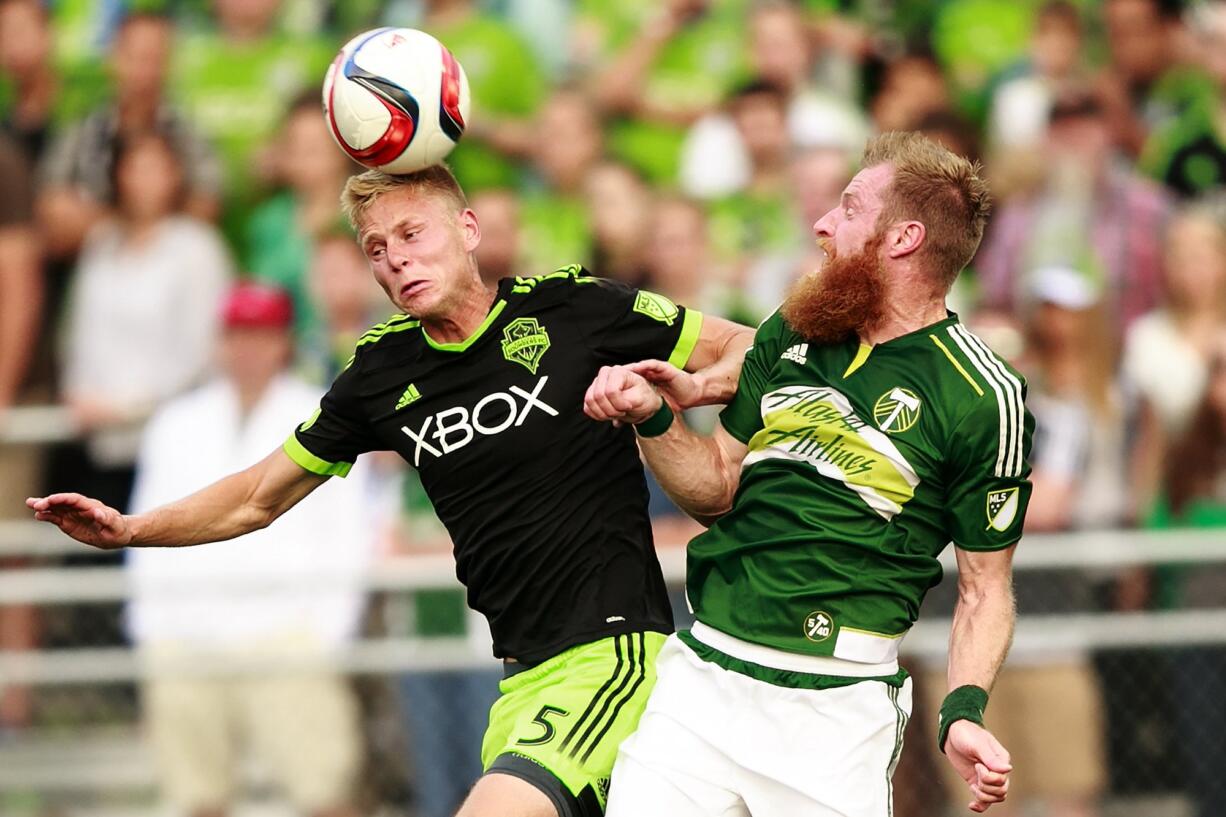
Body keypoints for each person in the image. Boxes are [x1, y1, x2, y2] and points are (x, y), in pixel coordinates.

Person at [27, 163, 753, 817]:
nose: (395, 257)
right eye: (376, 247)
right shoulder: (380, 373)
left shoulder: (573, 309)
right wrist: (131, 528)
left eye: (412, 232)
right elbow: (257, 495)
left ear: (467, 229)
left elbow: (745, 346)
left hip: (613, 654)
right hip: (521, 679)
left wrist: (689, 387)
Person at [584, 132, 1032, 816]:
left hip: (834, 711)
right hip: (702, 678)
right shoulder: (793, 331)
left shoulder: (982, 394)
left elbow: (984, 589)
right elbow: (716, 486)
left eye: (850, 208)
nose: (823, 224)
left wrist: (963, 710)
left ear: (903, 237)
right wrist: (653, 418)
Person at [127, 283, 373, 817]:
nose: (246, 349)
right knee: (197, 799)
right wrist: (154, 633)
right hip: (188, 635)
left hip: (286, 632)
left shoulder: (322, 413)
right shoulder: (177, 423)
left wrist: (329, 631)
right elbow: (145, 532)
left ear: (282, 342)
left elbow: (348, 531)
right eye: (237, 335)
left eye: (259, 336)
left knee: (326, 795)